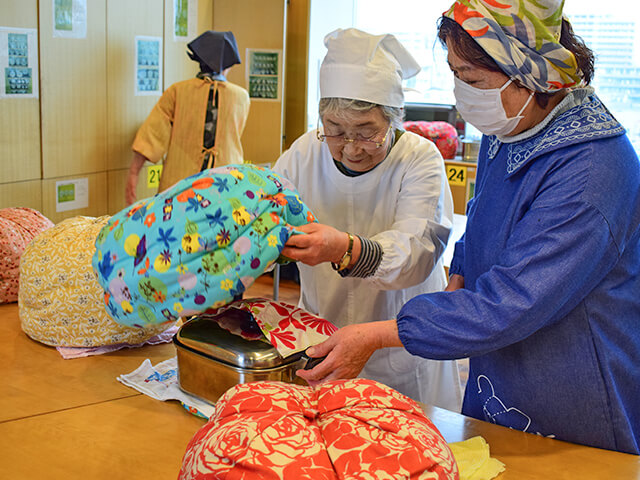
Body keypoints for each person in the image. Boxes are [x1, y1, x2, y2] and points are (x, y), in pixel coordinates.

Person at [297, 0, 640, 455]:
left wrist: (380, 333)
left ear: (531, 73)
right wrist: (461, 268)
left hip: (571, 380)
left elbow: (513, 301)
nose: (461, 94)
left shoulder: (592, 171)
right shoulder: (510, 130)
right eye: (455, 74)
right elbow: (481, 217)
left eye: (472, 80)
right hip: (497, 366)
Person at [273, 28, 463, 411]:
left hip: (402, 354)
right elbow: (266, 210)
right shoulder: (304, 153)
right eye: (336, 131)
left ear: (395, 119)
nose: (350, 148)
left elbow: (417, 253)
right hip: (324, 340)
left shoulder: (419, 159)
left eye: (366, 132)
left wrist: (343, 248)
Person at [126, 30, 250, 205]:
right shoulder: (241, 96)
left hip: (179, 188)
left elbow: (152, 133)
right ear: (226, 65)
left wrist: (133, 174)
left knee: (175, 230)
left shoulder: (177, 91)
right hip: (226, 187)